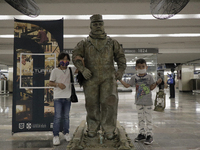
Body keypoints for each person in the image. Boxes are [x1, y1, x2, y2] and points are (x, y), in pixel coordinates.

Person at [72, 14, 126, 140]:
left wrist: (121, 70)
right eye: (95, 24)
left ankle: (109, 128)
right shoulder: (84, 43)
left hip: (108, 77)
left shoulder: (112, 42)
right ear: (90, 26)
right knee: (91, 103)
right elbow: (75, 56)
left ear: (103, 25)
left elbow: (121, 57)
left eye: (100, 24)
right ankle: (92, 127)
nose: (98, 26)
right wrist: (82, 69)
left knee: (110, 103)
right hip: (91, 78)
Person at [120, 58, 162, 145]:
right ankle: (142, 133)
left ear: (146, 67)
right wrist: (119, 80)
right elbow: (127, 85)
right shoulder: (134, 77)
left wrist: (157, 83)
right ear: (136, 68)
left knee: (148, 118)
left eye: (143, 66)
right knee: (140, 118)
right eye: (139, 67)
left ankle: (149, 135)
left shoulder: (149, 77)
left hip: (148, 102)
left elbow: (151, 87)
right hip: (138, 101)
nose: (141, 68)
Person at [49, 52, 77, 146]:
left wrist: (81, 60)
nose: (65, 61)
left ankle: (66, 133)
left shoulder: (70, 70)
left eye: (67, 59)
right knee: (57, 117)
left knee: (66, 117)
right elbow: (50, 83)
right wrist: (58, 84)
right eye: (63, 59)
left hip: (67, 97)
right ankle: (56, 136)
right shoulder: (55, 71)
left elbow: (80, 69)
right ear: (59, 61)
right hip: (58, 98)